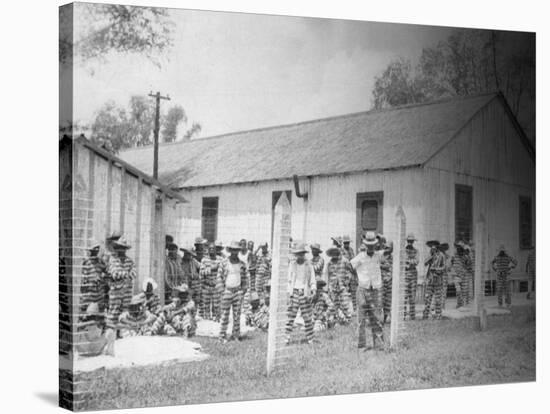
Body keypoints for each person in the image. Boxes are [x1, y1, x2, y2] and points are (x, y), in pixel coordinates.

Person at [350, 231, 385, 350]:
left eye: (373, 245)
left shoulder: (379, 255)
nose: (370, 247)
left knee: (377, 317)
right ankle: (361, 345)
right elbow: (350, 266)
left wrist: (381, 239)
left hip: (375, 290)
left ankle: (379, 344)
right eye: (368, 245)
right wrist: (359, 277)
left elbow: (390, 250)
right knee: (361, 319)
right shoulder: (360, 256)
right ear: (365, 245)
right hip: (362, 290)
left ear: (376, 245)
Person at [218, 241, 249, 343]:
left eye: (236, 250)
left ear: (238, 251)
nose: (234, 252)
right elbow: (219, 277)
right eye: (233, 250)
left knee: (237, 314)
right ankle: (222, 336)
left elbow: (245, 278)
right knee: (224, 314)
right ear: (230, 251)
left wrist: (243, 289)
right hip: (227, 290)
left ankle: (235, 335)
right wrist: (222, 290)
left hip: (238, 291)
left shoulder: (242, 264)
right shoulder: (224, 263)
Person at [285, 243, 316, 345]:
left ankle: (310, 338)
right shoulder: (292, 265)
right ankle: (286, 337)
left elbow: (312, 279)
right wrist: (289, 293)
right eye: (298, 254)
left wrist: (313, 289)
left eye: (301, 254)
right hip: (294, 291)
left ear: (304, 254)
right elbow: (289, 280)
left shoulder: (308, 265)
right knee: (291, 315)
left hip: (304, 292)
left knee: (307, 316)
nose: (300, 256)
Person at [105, 237, 136, 331]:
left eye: (123, 248)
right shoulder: (112, 260)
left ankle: (122, 331)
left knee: (125, 311)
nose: (121, 250)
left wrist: (123, 274)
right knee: (113, 312)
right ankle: (111, 332)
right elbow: (114, 274)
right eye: (119, 247)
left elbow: (134, 273)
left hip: (127, 291)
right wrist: (126, 274)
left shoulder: (129, 261)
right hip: (115, 291)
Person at [322, 245, 354, 324]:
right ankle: (337, 320)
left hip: (342, 286)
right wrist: (327, 288)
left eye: (335, 251)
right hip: (333, 287)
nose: (334, 254)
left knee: (345, 303)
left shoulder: (345, 261)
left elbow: (351, 271)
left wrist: (347, 280)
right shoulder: (329, 263)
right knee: (335, 304)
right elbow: (327, 275)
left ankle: (348, 319)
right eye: (332, 252)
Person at [81, 241, 107, 318]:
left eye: (97, 249)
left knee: (99, 309)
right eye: (94, 249)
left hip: (99, 290)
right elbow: (83, 275)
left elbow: (107, 272)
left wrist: (102, 278)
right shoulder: (86, 262)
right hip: (89, 290)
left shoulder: (101, 261)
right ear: (91, 250)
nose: (96, 251)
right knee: (86, 309)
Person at [422, 240, 446, 320]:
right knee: (427, 298)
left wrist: (436, 269)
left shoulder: (441, 255)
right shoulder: (430, 255)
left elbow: (444, 268)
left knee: (438, 299)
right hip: (430, 280)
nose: (433, 247)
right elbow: (425, 263)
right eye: (431, 246)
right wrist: (431, 256)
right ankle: (425, 315)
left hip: (438, 280)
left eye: (434, 246)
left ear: (437, 246)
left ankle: (438, 315)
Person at [199, 243, 221, 320]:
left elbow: (223, 272)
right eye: (210, 249)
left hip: (216, 285)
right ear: (208, 250)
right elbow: (201, 272)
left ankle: (216, 318)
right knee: (206, 304)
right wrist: (212, 268)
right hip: (207, 285)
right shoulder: (204, 260)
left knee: (217, 305)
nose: (211, 250)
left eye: (213, 249)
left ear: (216, 250)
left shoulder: (220, 259)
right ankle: (207, 318)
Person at [451, 241, 471, 309]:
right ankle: (460, 303)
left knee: (464, 291)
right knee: (458, 290)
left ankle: (461, 304)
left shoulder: (465, 256)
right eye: (457, 247)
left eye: (460, 247)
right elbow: (451, 263)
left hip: (464, 275)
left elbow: (469, 265)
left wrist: (465, 270)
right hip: (456, 275)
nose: (458, 249)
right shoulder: (454, 255)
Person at [404, 234, 419, 320]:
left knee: (412, 296)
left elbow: (417, 261)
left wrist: (408, 262)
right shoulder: (403, 250)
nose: (410, 242)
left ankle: (412, 316)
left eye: (411, 241)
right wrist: (410, 262)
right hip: (405, 275)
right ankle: (403, 315)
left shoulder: (416, 251)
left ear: (413, 242)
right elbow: (401, 260)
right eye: (409, 241)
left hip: (413, 275)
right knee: (404, 296)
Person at [380, 241, 393, 324]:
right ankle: (377, 319)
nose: (387, 249)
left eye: (388, 248)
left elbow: (390, 267)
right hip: (381, 282)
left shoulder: (392, 258)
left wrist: (382, 266)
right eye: (386, 247)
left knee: (388, 301)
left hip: (390, 282)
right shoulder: (381, 256)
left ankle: (385, 319)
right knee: (380, 301)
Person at [438, 243, 451, 310]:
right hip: (439, 274)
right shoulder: (438, 255)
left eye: (444, 249)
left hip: (444, 275)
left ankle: (442, 305)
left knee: (443, 290)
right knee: (438, 290)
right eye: (442, 249)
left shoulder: (447, 257)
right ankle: (438, 305)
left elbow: (449, 268)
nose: (443, 250)